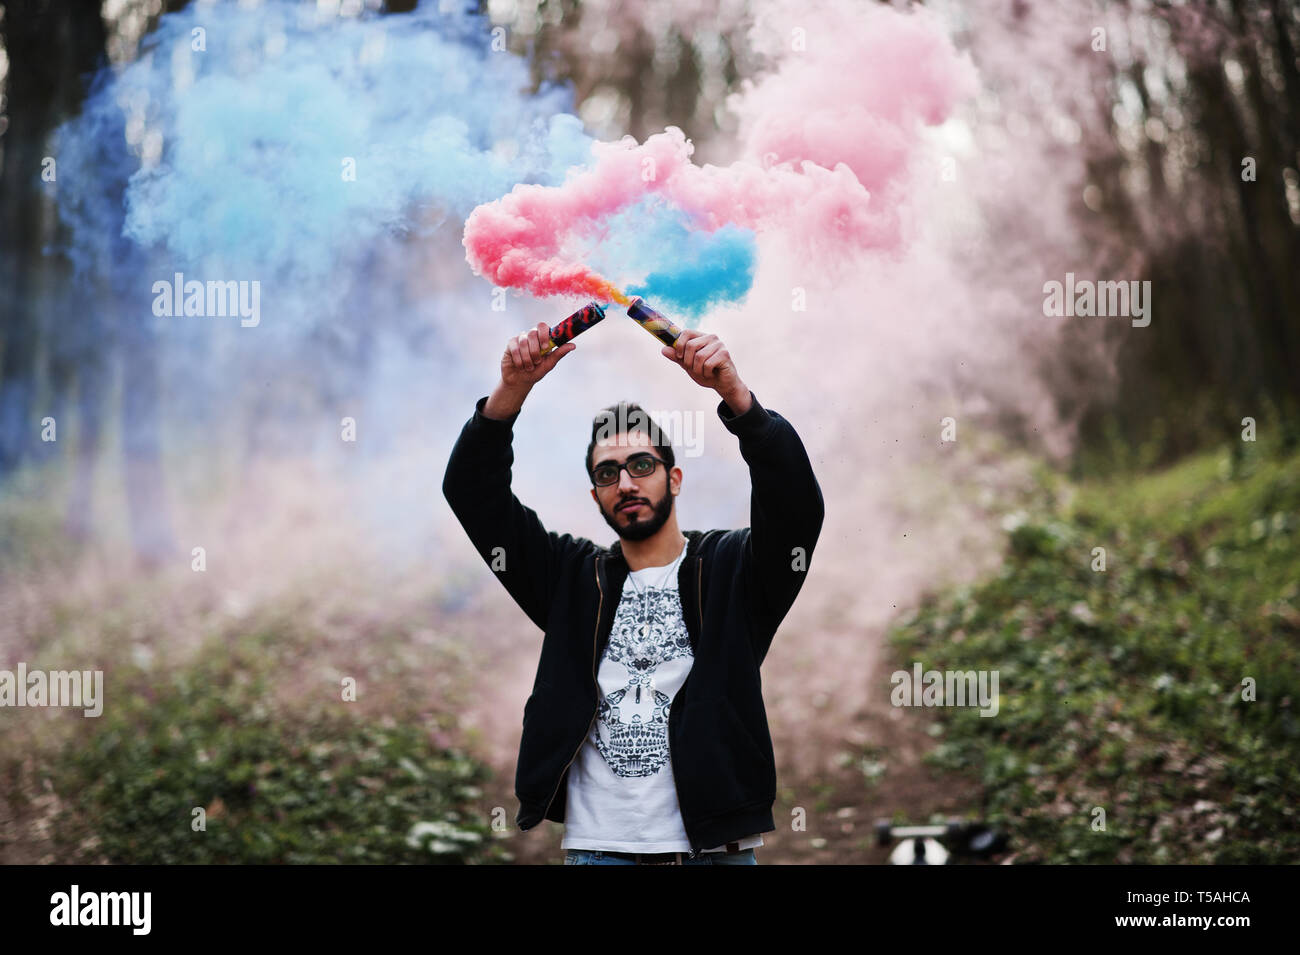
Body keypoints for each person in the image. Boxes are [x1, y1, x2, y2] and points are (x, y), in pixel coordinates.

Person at [442, 320, 824, 865]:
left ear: (674, 478)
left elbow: (796, 510)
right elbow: (471, 492)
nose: (625, 483)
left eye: (641, 465)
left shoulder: (732, 572)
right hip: (601, 853)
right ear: (595, 496)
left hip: (713, 852)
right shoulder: (571, 579)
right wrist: (511, 391)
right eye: (607, 474)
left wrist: (736, 397)